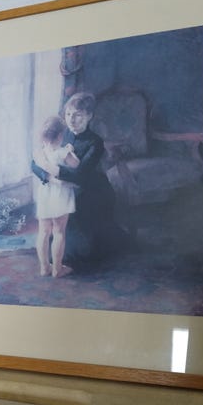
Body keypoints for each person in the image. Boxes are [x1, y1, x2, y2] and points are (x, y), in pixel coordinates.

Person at [32, 92, 121, 271]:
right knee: (50, 234)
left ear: (89, 116)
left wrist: (51, 169)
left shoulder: (95, 142)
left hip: (90, 191)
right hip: (61, 188)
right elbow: (34, 163)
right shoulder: (60, 133)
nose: (72, 119)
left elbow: (80, 175)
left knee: (84, 252)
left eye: (78, 115)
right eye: (68, 114)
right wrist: (48, 177)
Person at [34, 116, 80, 278]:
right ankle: (57, 269)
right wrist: (71, 150)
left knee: (43, 232)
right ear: (60, 135)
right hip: (60, 195)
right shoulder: (63, 153)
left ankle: (44, 267)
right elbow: (76, 164)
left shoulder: (40, 153)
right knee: (59, 232)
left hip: (45, 195)